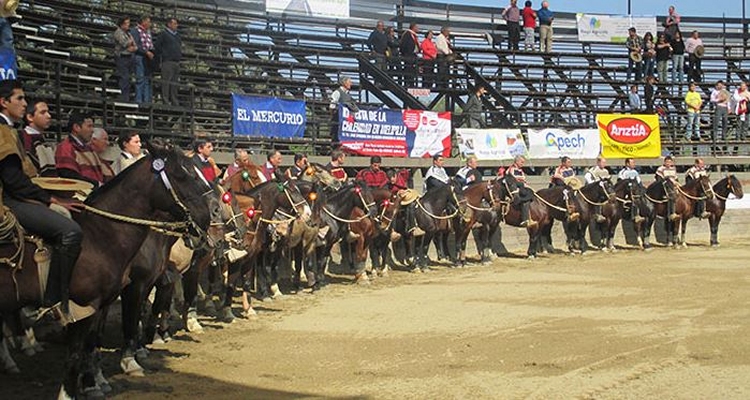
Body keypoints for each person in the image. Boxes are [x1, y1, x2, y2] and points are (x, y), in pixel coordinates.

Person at [0, 79, 83, 314]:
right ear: (3, 102)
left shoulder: (8, 130)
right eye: (20, 99)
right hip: (8, 201)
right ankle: (54, 299)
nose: (24, 104)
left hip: (14, 195)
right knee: (70, 231)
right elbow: (14, 181)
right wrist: (49, 199)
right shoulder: (2, 131)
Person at [55, 112, 111, 187]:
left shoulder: (90, 149)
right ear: (76, 127)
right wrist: (96, 184)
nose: (92, 130)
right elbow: (69, 177)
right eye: (89, 126)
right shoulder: (66, 147)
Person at [386, 169, 424, 237]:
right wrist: (396, 193)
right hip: (395, 200)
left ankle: (413, 227)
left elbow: (409, 172)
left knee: (412, 205)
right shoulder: (388, 184)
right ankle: (392, 230)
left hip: (407, 197)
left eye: (393, 180)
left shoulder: (402, 176)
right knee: (394, 210)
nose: (392, 182)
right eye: (390, 180)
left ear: (395, 176)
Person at [22, 99, 55, 176]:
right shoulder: (25, 139)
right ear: (30, 117)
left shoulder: (41, 139)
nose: (49, 116)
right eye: (42, 112)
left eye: (48, 112)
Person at [155, 18, 182, 106]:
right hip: (167, 61)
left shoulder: (177, 35)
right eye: (174, 24)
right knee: (166, 82)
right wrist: (163, 55)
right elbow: (157, 46)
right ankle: (165, 101)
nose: (176, 25)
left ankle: (174, 101)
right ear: (169, 24)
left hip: (176, 61)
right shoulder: (163, 34)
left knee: (174, 84)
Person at [130, 15, 155, 104]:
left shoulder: (148, 32)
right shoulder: (135, 31)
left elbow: (150, 44)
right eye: (148, 21)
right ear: (143, 22)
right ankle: (139, 100)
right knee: (140, 78)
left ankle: (147, 101)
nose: (149, 24)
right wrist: (145, 52)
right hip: (139, 56)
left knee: (147, 80)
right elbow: (136, 45)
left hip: (147, 58)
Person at [506, 155, 537, 227]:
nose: (522, 164)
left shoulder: (520, 170)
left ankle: (530, 218)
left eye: (523, 162)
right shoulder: (511, 169)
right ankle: (524, 219)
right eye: (521, 162)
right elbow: (512, 180)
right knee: (525, 197)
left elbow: (523, 180)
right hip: (514, 189)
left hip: (521, 187)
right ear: (517, 161)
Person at [329, 76, 360, 147]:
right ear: (344, 83)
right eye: (349, 82)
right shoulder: (337, 92)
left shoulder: (347, 94)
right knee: (336, 137)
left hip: (345, 122)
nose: (351, 84)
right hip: (338, 120)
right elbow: (332, 106)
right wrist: (333, 116)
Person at [113, 16, 136, 102]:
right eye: (126, 23)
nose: (128, 25)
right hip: (121, 57)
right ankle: (123, 98)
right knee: (124, 78)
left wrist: (132, 46)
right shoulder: (118, 32)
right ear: (122, 24)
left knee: (128, 78)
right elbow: (124, 43)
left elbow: (135, 46)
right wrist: (130, 42)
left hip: (129, 56)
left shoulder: (128, 33)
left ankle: (127, 98)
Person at [617, 158, 645, 223]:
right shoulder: (622, 172)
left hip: (635, 190)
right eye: (632, 163)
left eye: (634, 162)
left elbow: (639, 182)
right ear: (627, 164)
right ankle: (635, 215)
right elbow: (620, 183)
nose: (634, 164)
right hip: (626, 190)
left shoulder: (635, 172)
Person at [584, 157, 610, 223]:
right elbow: (588, 178)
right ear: (598, 163)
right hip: (593, 190)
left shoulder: (605, 171)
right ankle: (598, 214)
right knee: (598, 197)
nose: (604, 164)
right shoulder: (593, 170)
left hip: (604, 190)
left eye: (605, 162)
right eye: (603, 162)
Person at [655, 155, 679, 221]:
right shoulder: (660, 169)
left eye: (670, 162)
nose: (668, 164)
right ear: (664, 162)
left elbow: (676, 178)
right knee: (671, 195)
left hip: (673, 186)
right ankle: (671, 213)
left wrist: (677, 184)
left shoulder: (673, 169)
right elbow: (659, 179)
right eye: (667, 162)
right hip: (664, 186)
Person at [399, 23, 420, 88]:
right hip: (408, 54)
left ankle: (411, 82)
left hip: (413, 54)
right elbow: (403, 44)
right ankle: (408, 82)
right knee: (408, 68)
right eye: (417, 27)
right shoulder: (407, 34)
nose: (418, 29)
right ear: (413, 27)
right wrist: (405, 53)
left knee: (412, 69)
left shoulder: (413, 35)